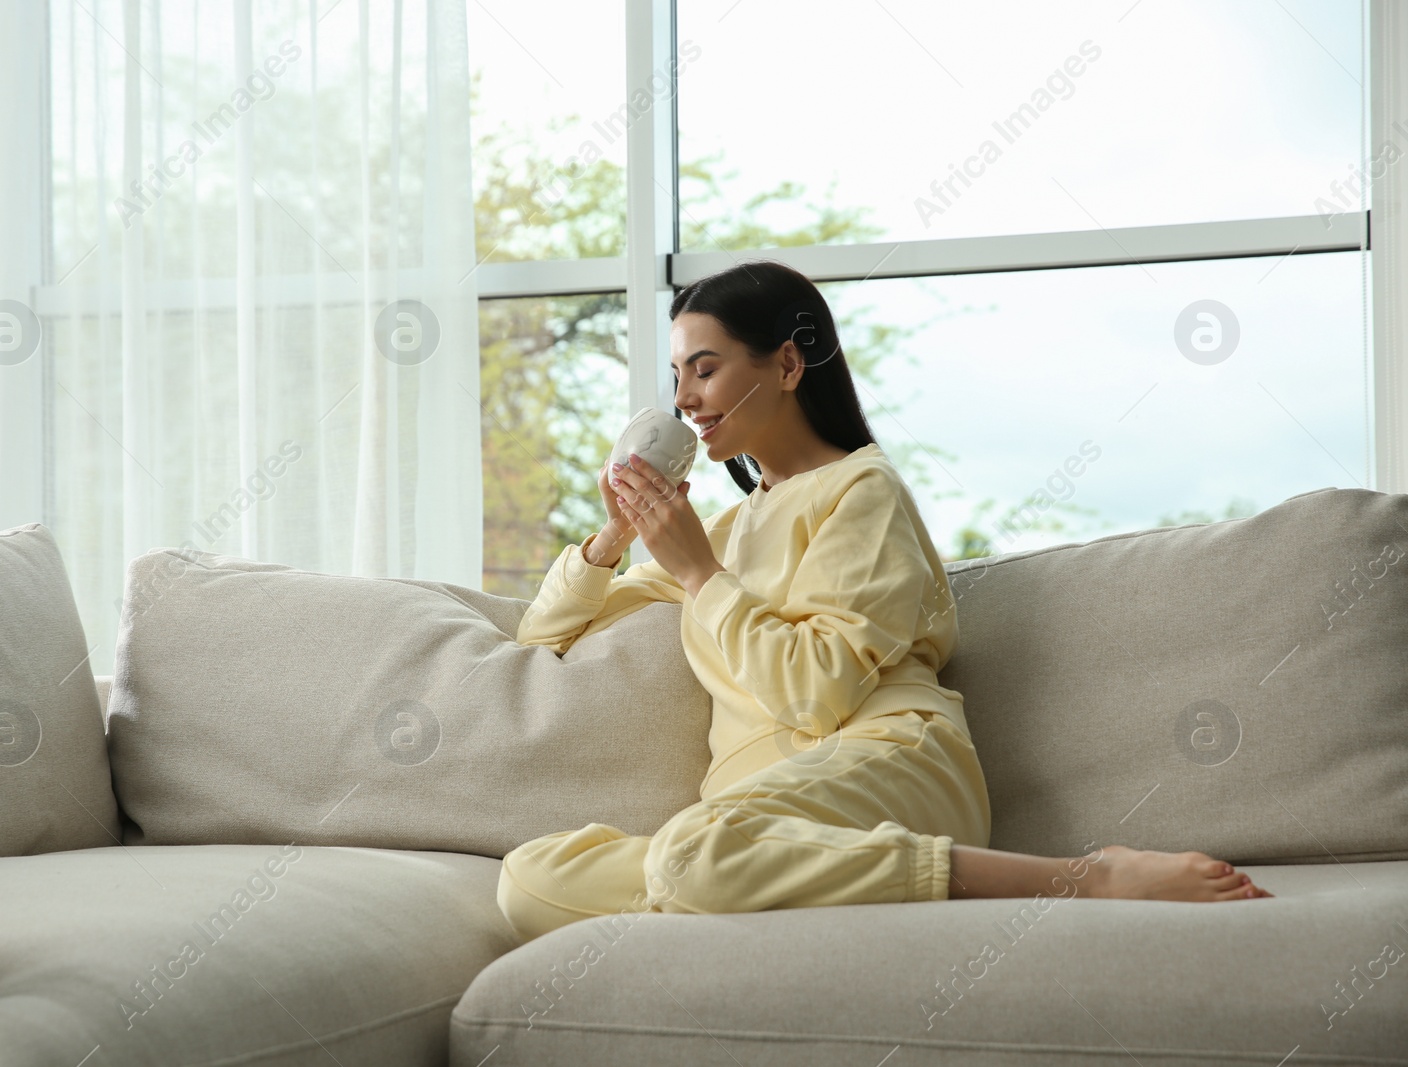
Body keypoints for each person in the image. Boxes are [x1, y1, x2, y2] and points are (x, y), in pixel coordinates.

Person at [498, 260, 1272, 944]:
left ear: (788, 365)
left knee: (691, 852)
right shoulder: (729, 529)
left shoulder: (861, 491)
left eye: (704, 369)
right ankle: (750, 879)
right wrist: (614, 536)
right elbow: (545, 635)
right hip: (763, 822)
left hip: (885, 766)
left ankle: (1087, 877)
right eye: (676, 378)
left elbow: (815, 694)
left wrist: (701, 574)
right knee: (529, 877)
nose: (686, 400)